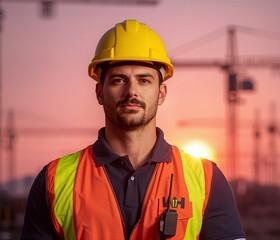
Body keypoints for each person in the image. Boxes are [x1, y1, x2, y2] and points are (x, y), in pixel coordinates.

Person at [20, 19, 246, 240]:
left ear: (161, 93)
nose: (131, 91)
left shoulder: (205, 179)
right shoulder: (54, 180)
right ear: (100, 93)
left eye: (144, 80)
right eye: (118, 80)